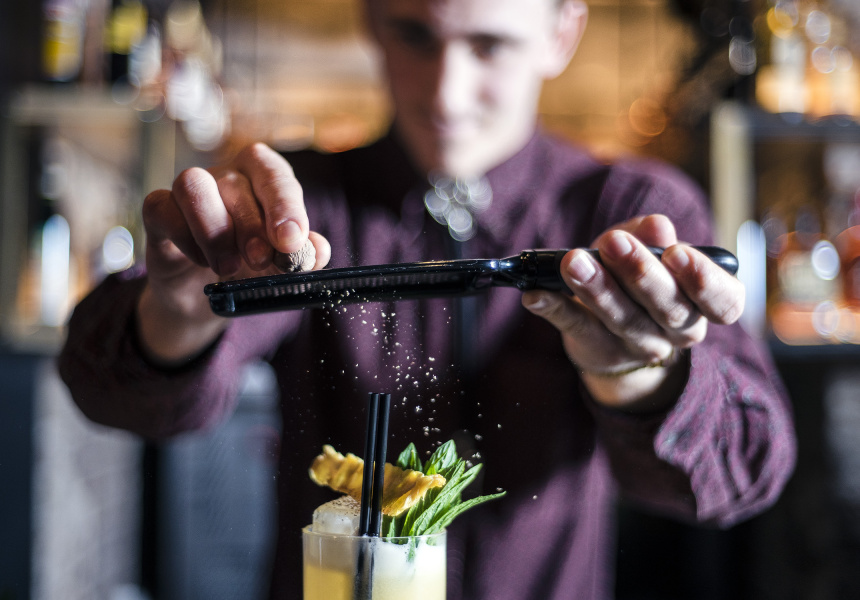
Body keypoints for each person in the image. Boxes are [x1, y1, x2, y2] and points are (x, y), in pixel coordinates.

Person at [59, 0, 796, 598]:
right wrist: (178, 314)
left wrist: (637, 373)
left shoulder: (627, 206)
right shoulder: (307, 206)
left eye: (490, 44)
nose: (446, 90)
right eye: (416, 35)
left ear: (561, 33)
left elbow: (744, 471)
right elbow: (114, 394)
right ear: (372, 21)